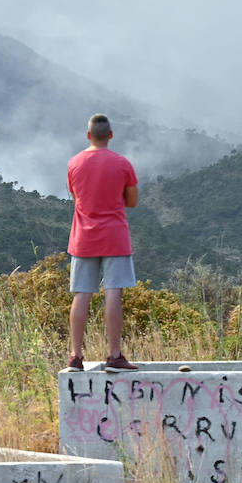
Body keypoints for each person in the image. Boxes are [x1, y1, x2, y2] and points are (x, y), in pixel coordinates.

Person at [65, 113, 138, 372]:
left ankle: (75, 356)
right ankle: (114, 355)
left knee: (82, 295)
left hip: (83, 237)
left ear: (88, 135)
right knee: (113, 294)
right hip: (115, 237)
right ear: (110, 135)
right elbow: (131, 201)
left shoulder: (74, 164)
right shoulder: (122, 164)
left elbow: (76, 197)